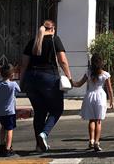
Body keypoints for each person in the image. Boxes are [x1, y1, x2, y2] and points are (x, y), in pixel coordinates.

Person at [20, 19, 73, 152]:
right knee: (57, 109)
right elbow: (62, 61)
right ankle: (44, 134)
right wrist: (69, 77)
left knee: (39, 112)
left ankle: (39, 145)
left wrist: (21, 82)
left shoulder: (32, 41)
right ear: (53, 29)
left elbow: (24, 65)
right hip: (49, 78)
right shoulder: (55, 40)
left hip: (31, 79)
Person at [73, 54, 114, 152]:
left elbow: (78, 84)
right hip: (100, 97)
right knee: (98, 121)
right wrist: (112, 100)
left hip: (90, 96)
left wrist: (70, 81)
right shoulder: (105, 74)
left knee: (91, 120)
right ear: (101, 63)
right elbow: (110, 89)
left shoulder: (88, 73)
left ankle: (91, 140)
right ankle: (96, 142)